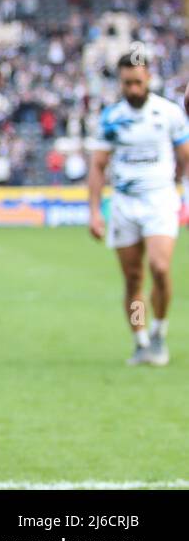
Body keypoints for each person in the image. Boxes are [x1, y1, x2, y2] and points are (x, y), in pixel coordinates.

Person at [87, 50, 189, 366]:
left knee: (159, 268)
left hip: (159, 200)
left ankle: (159, 330)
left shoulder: (170, 113)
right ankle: (141, 340)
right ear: (120, 81)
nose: (133, 89)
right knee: (133, 279)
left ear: (148, 79)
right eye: (127, 83)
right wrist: (93, 211)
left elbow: (185, 156)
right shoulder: (111, 117)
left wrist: (180, 186)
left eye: (138, 82)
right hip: (124, 204)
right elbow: (98, 166)